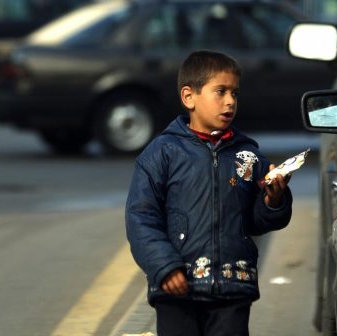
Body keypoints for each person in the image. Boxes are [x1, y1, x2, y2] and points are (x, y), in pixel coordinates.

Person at [125, 50, 293, 336]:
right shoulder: (163, 153)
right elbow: (141, 217)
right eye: (220, 91)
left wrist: (273, 200)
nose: (230, 101)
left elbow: (258, 221)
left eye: (235, 93)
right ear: (189, 97)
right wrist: (164, 267)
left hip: (233, 287)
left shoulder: (248, 155)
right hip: (177, 289)